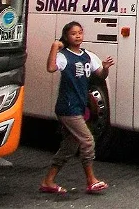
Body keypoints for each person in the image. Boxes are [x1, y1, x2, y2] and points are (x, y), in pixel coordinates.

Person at [39, 21, 114, 196]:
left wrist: (106, 68)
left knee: (69, 146)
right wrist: (54, 47)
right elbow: (50, 68)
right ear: (66, 37)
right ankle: (91, 181)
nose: (78, 36)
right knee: (87, 140)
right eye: (73, 33)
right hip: (68, 107)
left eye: (80, 32)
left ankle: (48, 181)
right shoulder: (63, 56)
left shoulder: (88, 55)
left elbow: (100, 74)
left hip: (79, 106)